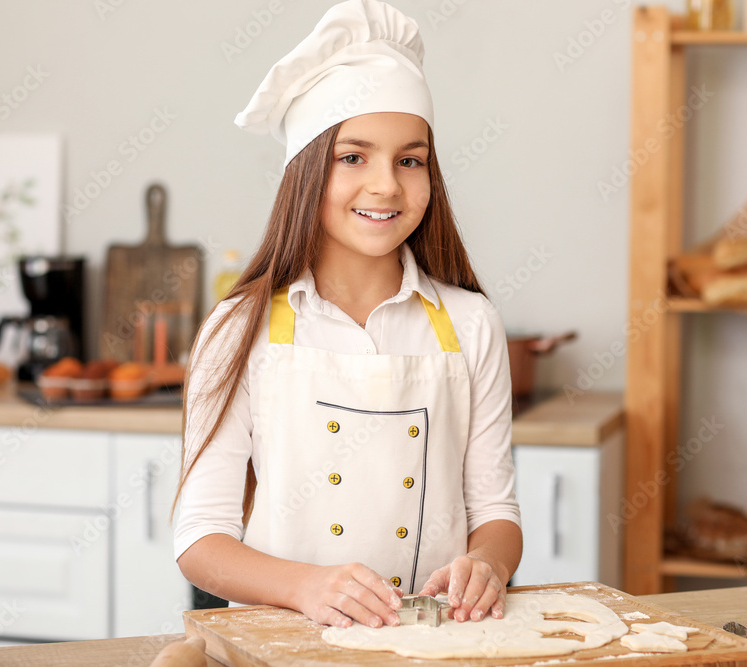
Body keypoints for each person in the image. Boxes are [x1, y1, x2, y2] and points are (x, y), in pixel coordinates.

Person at [174, 0, 521, 630]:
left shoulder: (471, 324)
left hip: (433, 644)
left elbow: (495, 511)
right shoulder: (238, 327)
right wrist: (307, 587)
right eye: (353, 157)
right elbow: (200, 540)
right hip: (285, 643)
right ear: (305, 172)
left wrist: (488, 566)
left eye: (410, 159)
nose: (386, 185)